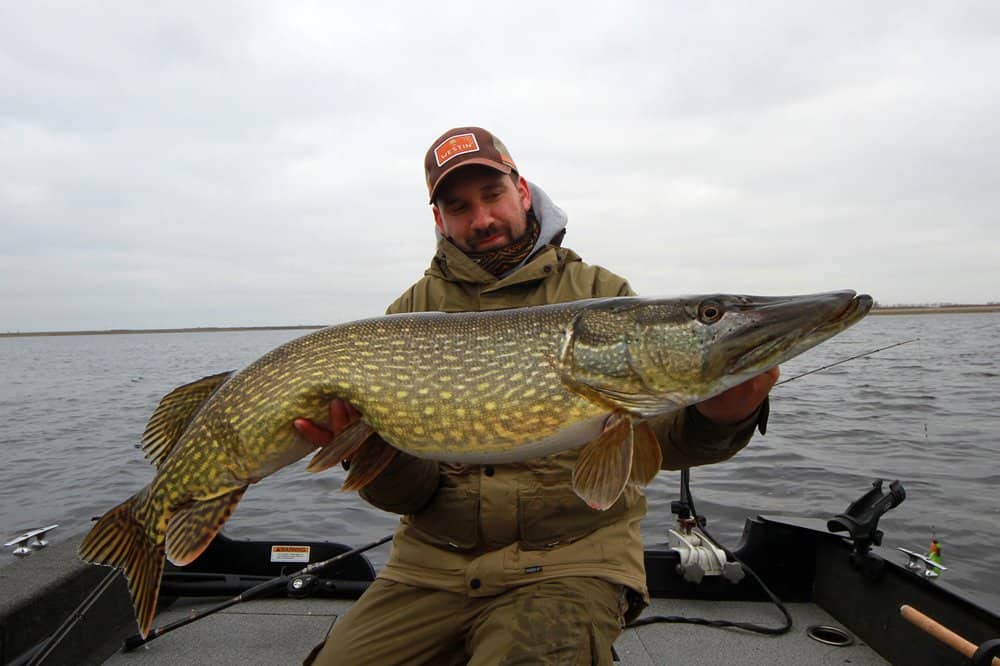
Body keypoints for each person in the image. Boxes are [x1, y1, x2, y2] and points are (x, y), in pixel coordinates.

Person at [294, 126, 779, 665]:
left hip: (571, 561)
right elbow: (409, 496)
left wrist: (722, 417)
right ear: (439, 220)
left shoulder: (600, 295)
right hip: (432, 566)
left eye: (492, 195)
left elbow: (663, 443)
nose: (481, 219)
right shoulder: (410, 315)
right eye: (458, 206)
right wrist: (367, 453)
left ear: (522, 190)